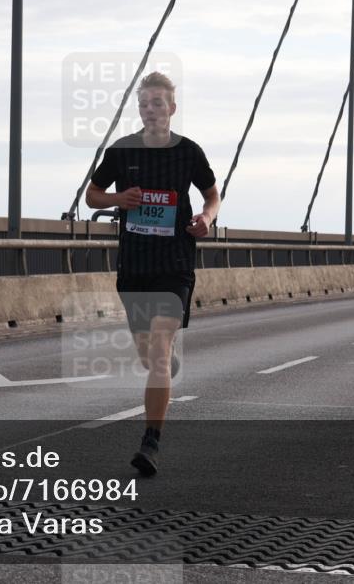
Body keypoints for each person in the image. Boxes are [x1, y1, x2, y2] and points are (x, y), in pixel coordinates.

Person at [86, 71, 220, 476]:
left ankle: (151, 442)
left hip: (174, 265)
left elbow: (211, 195)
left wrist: (207, 218)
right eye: (144, 104)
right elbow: (92, 195)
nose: (151, 110)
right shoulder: (122, 151)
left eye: (157, 103)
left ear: (171, 108)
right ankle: (163, 361)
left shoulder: (189, 152)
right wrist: (118, 198)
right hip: (134, 267)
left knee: (159, 348)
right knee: (149, 356)